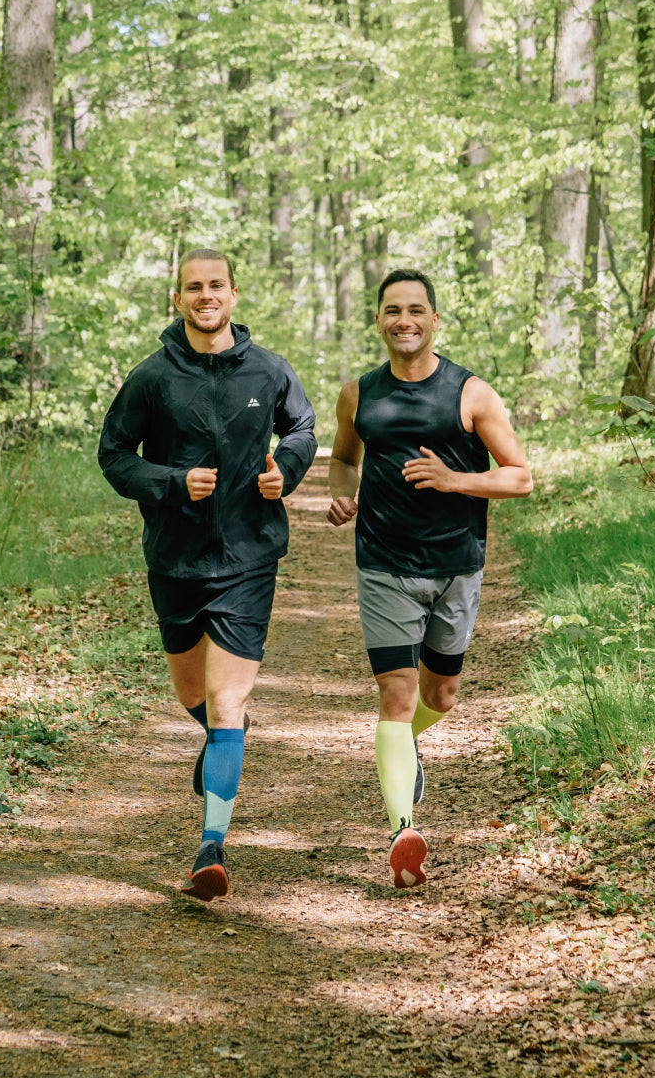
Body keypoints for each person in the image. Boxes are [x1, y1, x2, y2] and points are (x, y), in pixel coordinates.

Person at [98, 248, 316, 901]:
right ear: (178, 300)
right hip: (174, 558)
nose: (204, 296)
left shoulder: (270, 371)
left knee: (227, 700)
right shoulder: (152, 379)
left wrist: (288, 470)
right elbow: (114, 456)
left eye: (214, 285)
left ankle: (210, 846)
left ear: (233, 294)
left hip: (249, 555)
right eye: (192, 287)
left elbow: (301, 428)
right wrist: (169, 483)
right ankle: (227, 738)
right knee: (192, 694)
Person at [326, 268, 532, 889]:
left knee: (439, 697)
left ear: (435, 319)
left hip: (456, 565)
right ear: (380, 321)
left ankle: (401, 749)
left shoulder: (472, 394)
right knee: (396, 695)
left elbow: (520, 476)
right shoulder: (358, 394)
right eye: (392, 310)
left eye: (416, 309)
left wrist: (455, 481)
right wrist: (342, 494)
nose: (404, 320)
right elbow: (342, 458)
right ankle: (401, 830)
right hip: (385, 563)